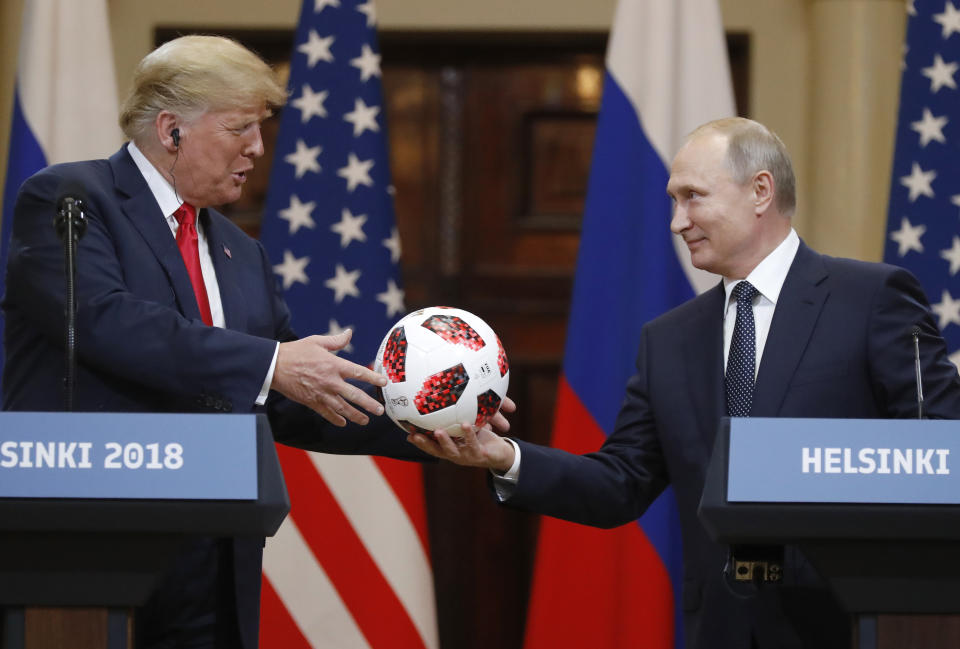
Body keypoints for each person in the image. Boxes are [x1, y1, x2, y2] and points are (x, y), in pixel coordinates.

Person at [0, 35, 500, 649]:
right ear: (171, 129)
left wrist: (433, 423)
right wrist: (272, 362)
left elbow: (291, 395)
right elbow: (108, 321)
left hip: (216, 552)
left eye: (260, 130)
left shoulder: (242, 255)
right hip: (92, 546)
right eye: (241, 128)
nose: (258, 148)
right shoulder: (73, 200)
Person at [408, 117, 960, 649]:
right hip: (720, 627)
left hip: (854, 625)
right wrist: (502, 456)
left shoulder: (870, 299)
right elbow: (619, 483)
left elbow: (940, 455)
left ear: (760, 191)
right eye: (675, 201)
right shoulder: (669, 340)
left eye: (693, 196)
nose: (677, 221)